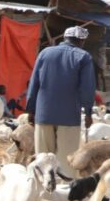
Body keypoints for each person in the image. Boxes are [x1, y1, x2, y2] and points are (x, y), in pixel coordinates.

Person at [27, 25, 96, 178]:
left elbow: (34, 84)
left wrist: (31, 110)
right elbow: (87, 89)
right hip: (69, 117)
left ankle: (43, 197)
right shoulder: (84, 57)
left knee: (42, 160)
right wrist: (89, 112)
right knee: (67, 162)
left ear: (65, 38)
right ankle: (65, 196)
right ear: (82, 41)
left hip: (44, 114)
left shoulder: (45, 53)